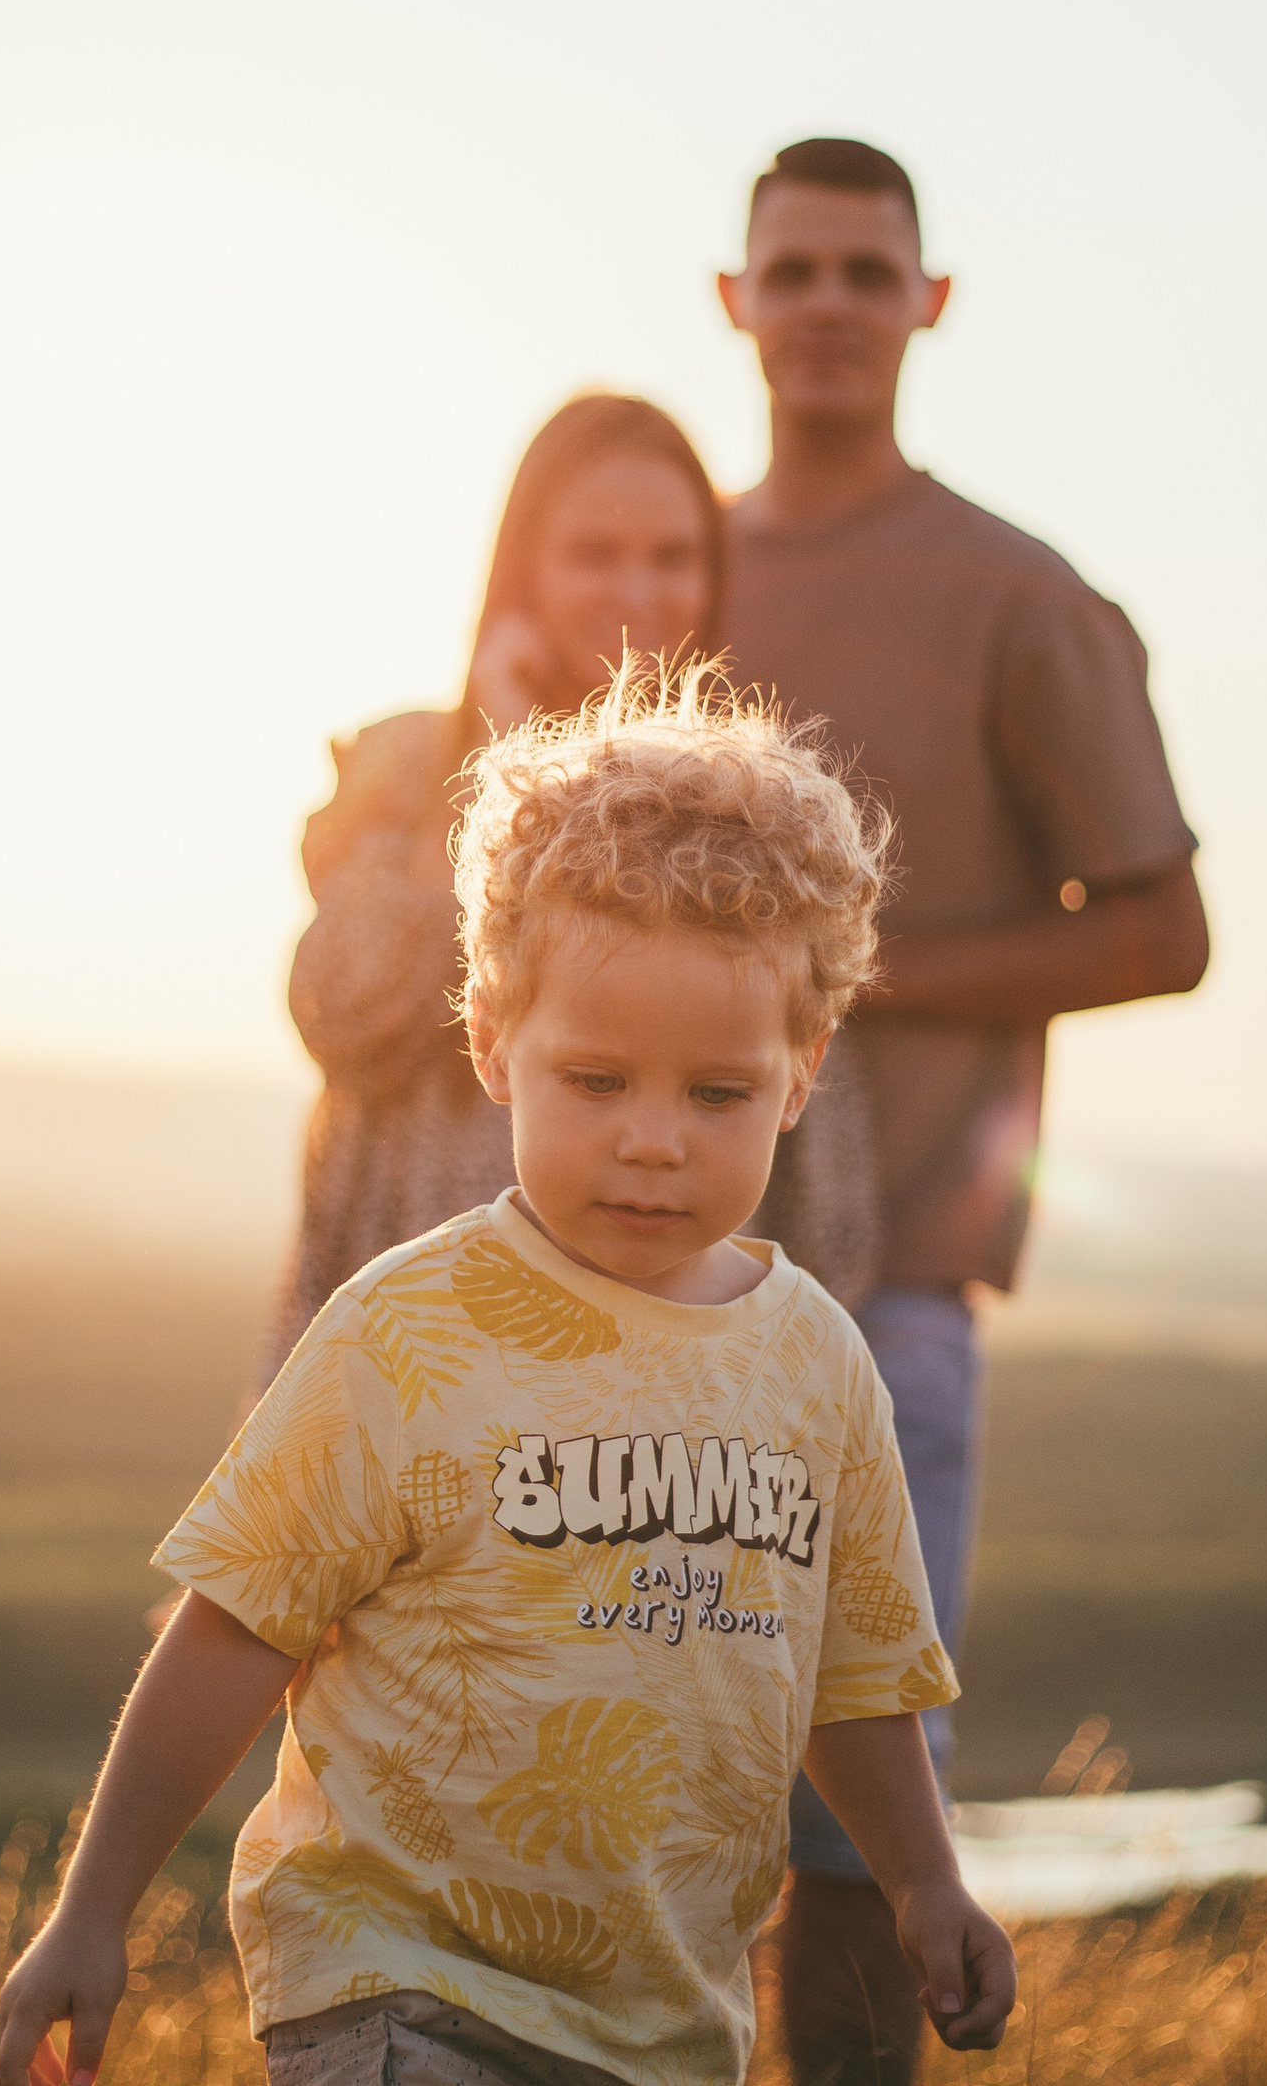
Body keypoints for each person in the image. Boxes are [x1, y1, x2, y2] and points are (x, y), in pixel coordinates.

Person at [0, 674, 1019, 2086]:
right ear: (491, 1047)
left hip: (641, 2023)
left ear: (806, 1069)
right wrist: (93, 1907)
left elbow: (852, 1677)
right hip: (391, 1975)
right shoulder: (413, 1331)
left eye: (718, 1092)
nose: (653, 1137)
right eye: (593, 1075)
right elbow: (225, 1631)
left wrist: (919, 1881)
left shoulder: (811, 1369)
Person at [716, 136, 1207, 2086]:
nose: (824, 300)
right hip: (631, 1278)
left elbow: (1165, 929)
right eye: (788, 268)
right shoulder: (667, 563)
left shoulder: (1016, 593)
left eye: (865, 269)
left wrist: (841, 968)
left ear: (929, 305)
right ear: (730, 302)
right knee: (600, 1779)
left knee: (843, 1817)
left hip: (887, 1284)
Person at [260, 389, 878, 1386]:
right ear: (522, 572)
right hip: (398, 1348)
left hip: (649, 1375)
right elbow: (340, 1009)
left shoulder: (752, 812)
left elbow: (825, 1169)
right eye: (594, 552)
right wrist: (489, 775)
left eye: (672, 556)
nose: (635, 589)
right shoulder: (405, 768)